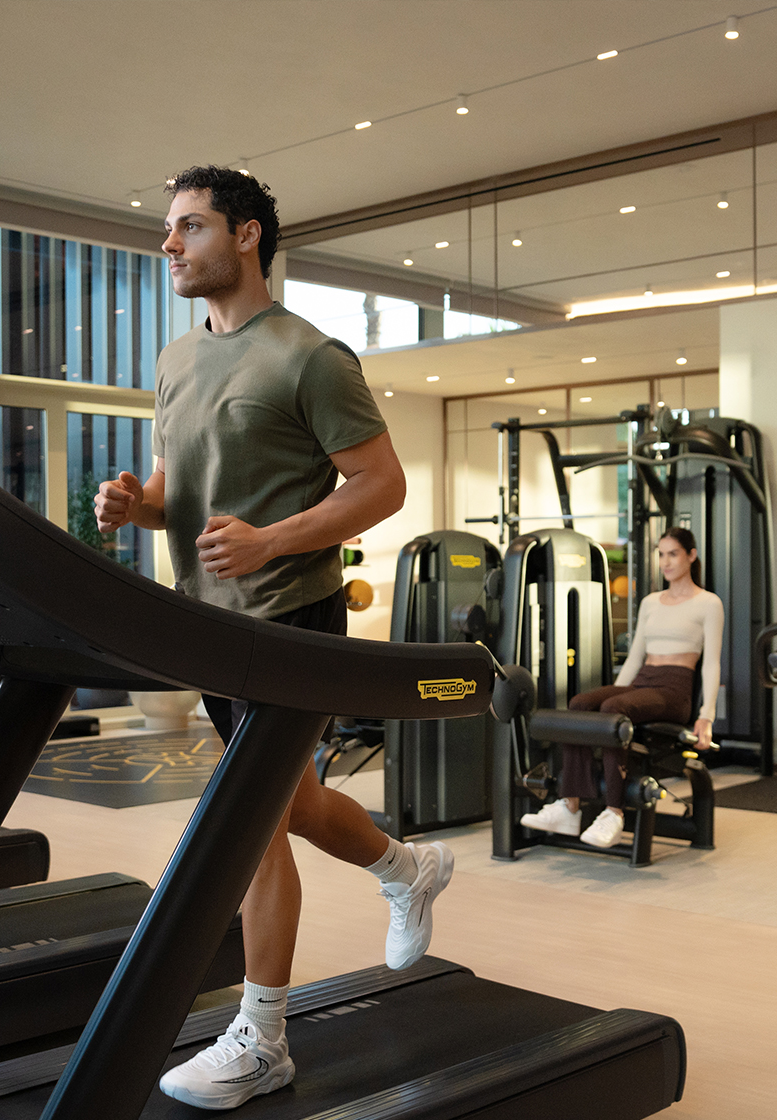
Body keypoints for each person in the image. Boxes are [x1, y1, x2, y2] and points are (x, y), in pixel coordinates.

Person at [93, 165, 454, 1111]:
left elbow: (381, 485)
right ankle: (408, 867)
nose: (169, 244)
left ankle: (263, 1036)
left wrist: (273, 539)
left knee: (249, 819)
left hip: (291, 615)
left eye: (189, 227)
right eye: (167, 230)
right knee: (287, 806)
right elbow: (179, 486)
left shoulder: (311, 356)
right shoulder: (175, 361)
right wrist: (137, 504)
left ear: (246, 236)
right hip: (204, 622)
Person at [520, 527, 724, 849]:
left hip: (674, 689)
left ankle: (614, 813)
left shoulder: (708, 603)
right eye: (661, 554)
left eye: (673, 554)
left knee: (614, 710)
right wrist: (615, 695)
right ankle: (570, 806)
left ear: (691, 556)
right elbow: (635, 657)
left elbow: (712, 662)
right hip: (644, 680)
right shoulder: (651, 602)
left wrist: (706, 715)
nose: (665, 561)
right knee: (580, 704)